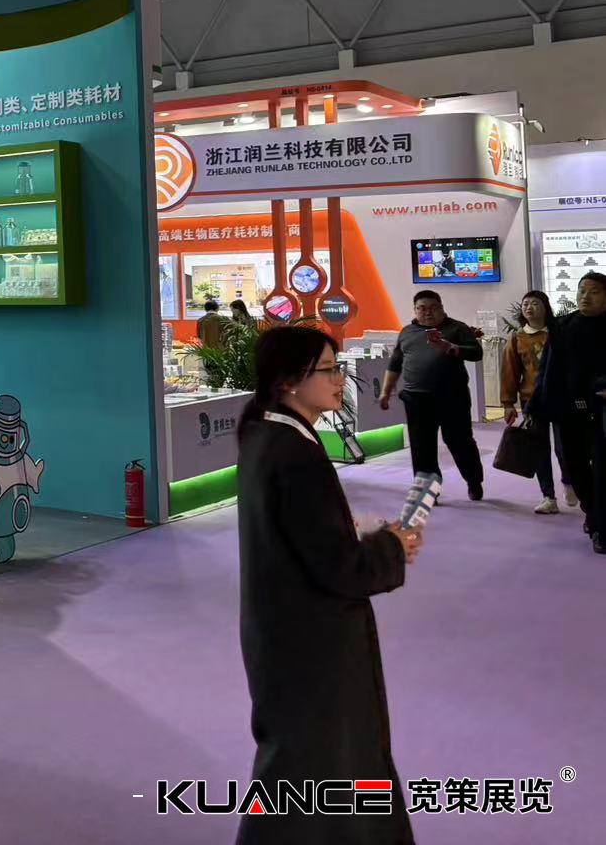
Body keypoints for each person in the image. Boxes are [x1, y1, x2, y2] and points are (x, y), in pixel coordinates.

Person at [236, 326, 420, 845]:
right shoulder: (294, 452)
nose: (340, 379)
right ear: (289, 380)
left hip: (285, 628)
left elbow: (303, 537)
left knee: (311, 763)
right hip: (312, 637)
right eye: (328, 369)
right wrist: (391, 548)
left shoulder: (268, 434)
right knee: (314, 765)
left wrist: (356, 534)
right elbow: (340, 568)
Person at [378, 290, 485, 501]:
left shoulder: (457, 328)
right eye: (422, 308)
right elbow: (395, 363)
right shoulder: (407, 332)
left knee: (459, 442)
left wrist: (450, 347)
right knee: (421, 447)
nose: (428, 312)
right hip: (416, 399)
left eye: (433, 308)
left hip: (452, 398)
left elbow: (476, 353)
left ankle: (474, 481)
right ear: (415, 310)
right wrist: (385, 392)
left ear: (442, 308)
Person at [533, 270, 606, 554]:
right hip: (568, 409)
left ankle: (600, 527)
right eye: (582, 291)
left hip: (602, 409)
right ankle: (592, 512)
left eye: (594, 292)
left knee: (602, 469)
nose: (585, 297)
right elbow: (547, 368)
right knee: (575, 468)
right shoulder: (563, 325)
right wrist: (536, 403)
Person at [501, 289, 568, 514]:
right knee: (539, 449)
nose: (529, 308)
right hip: (532, 400)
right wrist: (508, 403)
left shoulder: (559, 333)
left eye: (535, 303)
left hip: (561, 398)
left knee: (564, 447)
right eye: (525, 304)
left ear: (545, 307)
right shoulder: (517, 337)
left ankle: (568, 480)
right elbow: (510, 372)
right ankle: (548, 496)